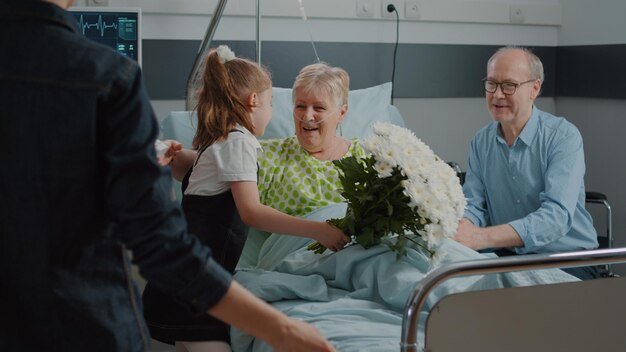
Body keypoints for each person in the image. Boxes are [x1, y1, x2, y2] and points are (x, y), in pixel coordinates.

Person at [0, 1, 336, 351]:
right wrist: (280, 330)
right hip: (85, 318)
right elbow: (158, 240)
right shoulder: (107, 78)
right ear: (254, 101)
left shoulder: (216, 143)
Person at [142, 50, 350, 351]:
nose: (272, 113)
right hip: (198, 280)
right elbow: (251, 212)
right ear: (254, 101)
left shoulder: (221, 138)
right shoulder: (240, 142)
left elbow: (191, 170)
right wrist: (317, 229)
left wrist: (171, 154)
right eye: (270, 104)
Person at [453, 46, 599, 280]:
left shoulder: (563, 137)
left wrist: (480, 238)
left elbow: (556, 217)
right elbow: (475, 205)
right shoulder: (480, 142)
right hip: (507, 256)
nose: (498, 95)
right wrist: (461, 228)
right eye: (491, 84)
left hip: (566, 259)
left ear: (534, 88)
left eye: (509, 85)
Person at [166, 62, 368, 220]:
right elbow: (208, 163)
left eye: (319, 108)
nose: (307, 116)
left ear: (341, 113)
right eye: (300, 106)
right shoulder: (268, 154)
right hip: (300, 250)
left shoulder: (369, 157)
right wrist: (172, 154)